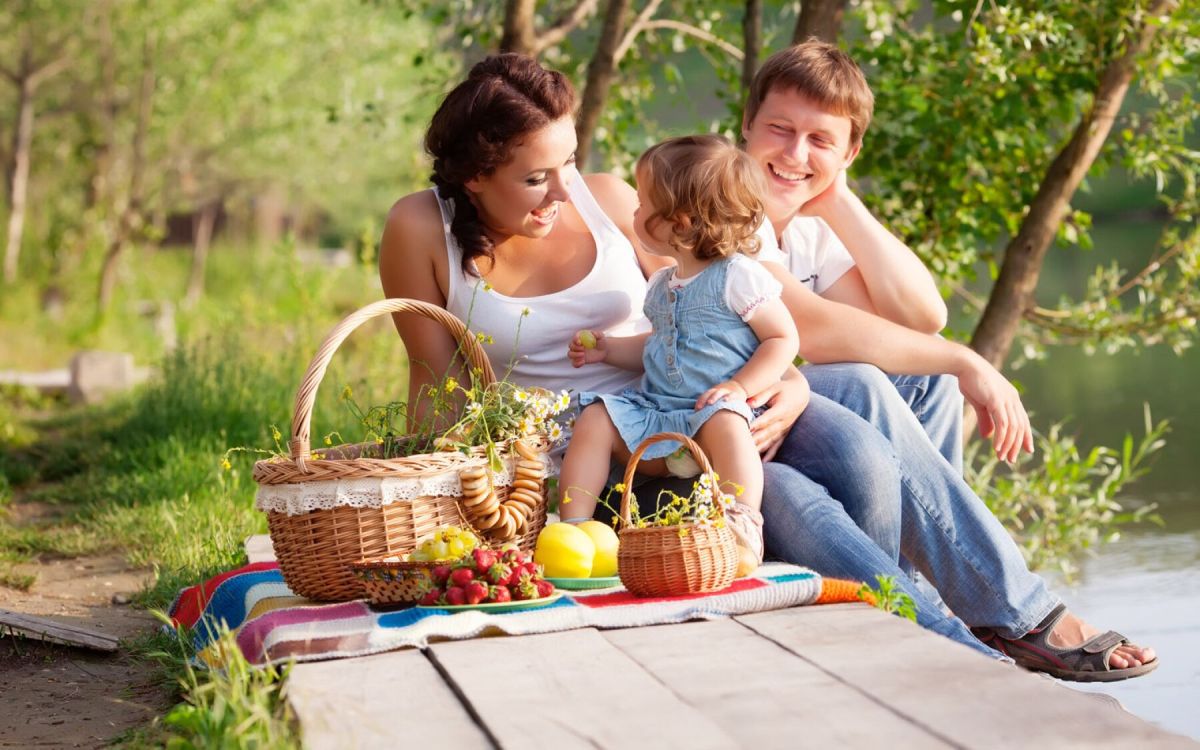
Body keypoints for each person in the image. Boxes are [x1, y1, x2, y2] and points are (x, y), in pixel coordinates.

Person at [378, 52, 1152, 675]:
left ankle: (1021, 616)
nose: (559, 191)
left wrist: (957, 362)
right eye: (535, 176)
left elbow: (791, 317)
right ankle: (957, 645)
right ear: (475, 173)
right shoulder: (422, 228)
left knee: (860, 412)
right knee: (788, 493)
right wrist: (454, 508)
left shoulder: (612, 200)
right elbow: (435, 386)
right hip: (605, 458)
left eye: (568, 162)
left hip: (692, 405)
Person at [740, 40, 1157, 680]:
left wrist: (840, 198)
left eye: (821, 140)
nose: (795, 155)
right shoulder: (724, 205)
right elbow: (810, 326)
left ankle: (945, 598)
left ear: (850, 152)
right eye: (780, 130)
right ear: (748, 126)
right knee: (861, 381)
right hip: (735, 422)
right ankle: (1017, 611)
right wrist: (966, 358)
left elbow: (918, 315)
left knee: (923, 376)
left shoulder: (806, 228)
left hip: (790, 424)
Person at [559, 135, 803, 568]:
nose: (632, 210)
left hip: (712, 416)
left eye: (642, 203)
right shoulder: (662, 284)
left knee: (726, 420)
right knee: (597, 416)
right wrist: (609, 351)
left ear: (680, 223)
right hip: (661, 413)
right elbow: (659, 348)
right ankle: (573, 530)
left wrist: (738, 386)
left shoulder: (737, 277)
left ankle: (739, 523)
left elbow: (783, 339)